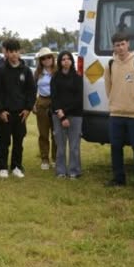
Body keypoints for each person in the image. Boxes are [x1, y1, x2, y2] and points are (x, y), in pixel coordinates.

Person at [104, 32, 134, 187]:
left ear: (128, 44)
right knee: (115, 147)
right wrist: (114, 103)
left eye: (123, 44)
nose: (120, 48)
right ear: (113, 47)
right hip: (115, 114)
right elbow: (108, 88)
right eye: (117, 45)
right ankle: (118, 179)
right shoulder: (110, 65)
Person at [0, 38, 35, 178]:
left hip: (21, 113)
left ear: (20, 52)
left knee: (18, 142)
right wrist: (0, 110)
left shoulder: (26, 70)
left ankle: (16, 166)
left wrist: (28, 109)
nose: (14, 54)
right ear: (7, 53)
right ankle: (3, 167)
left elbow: (31, 91)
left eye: (16, 51)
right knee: (4, 141)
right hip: (5, 113)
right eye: (11, 51)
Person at [50, 51, 83, 179]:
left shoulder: (77, 77)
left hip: (75, 115)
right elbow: (54, 97)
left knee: (74, 145)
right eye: (63, 59)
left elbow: (78, 98)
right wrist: (61, 115)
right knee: (61, 145)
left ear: (72, 61)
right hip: (58, 115)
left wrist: (66, 113)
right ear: (59, 62)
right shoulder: (55, 78)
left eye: (68, 59)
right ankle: (61, 171)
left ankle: (74, 170)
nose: (66, 61)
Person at [33, 48, 57, 170]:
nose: (46, 60)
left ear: (52, 58)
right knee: (43, 133)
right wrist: (33, 104)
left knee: (56, 133)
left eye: (48, 57)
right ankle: (44, 159)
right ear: (40, 61)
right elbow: (32, 90)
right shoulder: (37, 73)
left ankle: (55, 158)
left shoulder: (57, 72)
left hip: (55, 102)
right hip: (42, 102)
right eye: (43, 58)